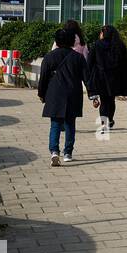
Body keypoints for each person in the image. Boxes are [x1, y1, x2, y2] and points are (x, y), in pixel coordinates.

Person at [37, 28, 87, 166]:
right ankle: (68, 153)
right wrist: (93, 95)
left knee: (55, 124)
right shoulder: (78, 57)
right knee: (70, 124)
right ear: (72, 41)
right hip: (73, 93)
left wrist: (42, 94)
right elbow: (86, 77)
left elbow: (44, 78)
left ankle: (54, 151)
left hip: (55, 94)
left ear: (57, 41)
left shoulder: (49, 57)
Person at [86, 25, 127, 130]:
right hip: (115, 77)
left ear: (103, 33)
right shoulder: (119, 45)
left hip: (100, 77)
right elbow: (125, 61)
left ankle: (104, 123)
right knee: (111, 100)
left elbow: (90, 62)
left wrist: (88, 77)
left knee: (104, 100)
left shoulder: (96, 45)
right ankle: (110, 120)